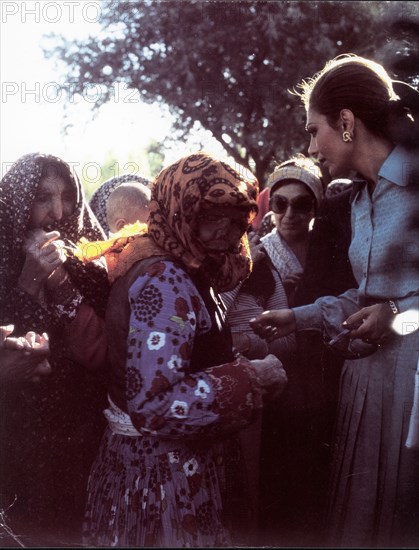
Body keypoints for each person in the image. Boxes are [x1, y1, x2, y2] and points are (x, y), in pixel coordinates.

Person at [250, 55, 419, 547]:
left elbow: (397, 305)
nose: (310, 147)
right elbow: (369, 296)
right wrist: (295, 317)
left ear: (345, 123)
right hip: (367, 384)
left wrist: (397, 317)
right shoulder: (358, 201)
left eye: (313, 130)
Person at [82, 152, 288, 548]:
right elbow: (155, 403)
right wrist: (249, 378)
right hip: (163, 480)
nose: (224, 234)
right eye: (210, 217)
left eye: (234, 220)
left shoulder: (181, 262)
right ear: (181, 210)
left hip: (162, 470)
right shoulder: (164, 278)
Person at [0, 153, 110, 546]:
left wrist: (61, 278)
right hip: (17, 434)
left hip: (80, 427)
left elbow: (99, 347)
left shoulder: (87, 259)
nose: (58, 212)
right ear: (17, 200)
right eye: (43, 198)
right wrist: (31, 279)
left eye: (65, 197)